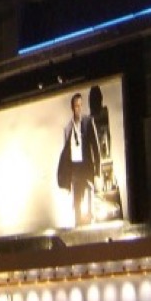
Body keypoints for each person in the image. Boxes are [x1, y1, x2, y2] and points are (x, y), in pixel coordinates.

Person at [59, 92, 102, 226]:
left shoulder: (88, 122)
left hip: (86, 167)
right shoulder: (68, 128)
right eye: (76, 106)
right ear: (72, 107)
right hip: (75, 169)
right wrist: (66, 178)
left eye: (80, 105)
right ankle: (78, 224)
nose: (78, 108)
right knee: (77, 201)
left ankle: (89, 222)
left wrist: (98, 171)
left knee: (88, 199)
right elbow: (66, 156)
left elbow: (96, 148)